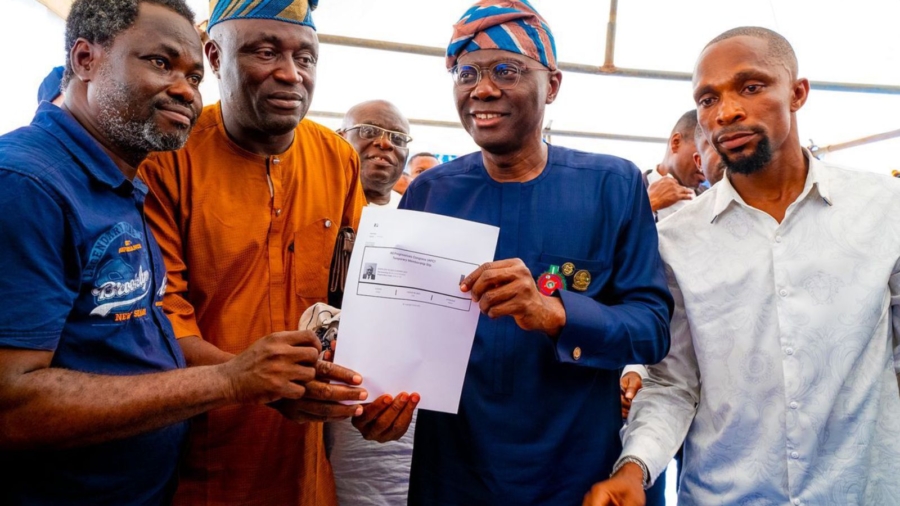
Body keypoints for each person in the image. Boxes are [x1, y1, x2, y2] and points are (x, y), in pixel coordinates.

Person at [0, 0, 346, 504]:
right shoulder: (28, 185)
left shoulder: (120, 182)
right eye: (160, 63)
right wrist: (229, 381)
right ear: (84, 59)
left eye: (193, 75)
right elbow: (10, 403)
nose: (185, 89)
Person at [584, 27, 900, 506]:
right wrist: (635, 468)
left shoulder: (883, 208)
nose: (726, 111)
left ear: (797, 93)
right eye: (708, 99)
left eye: (750, 87)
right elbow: (673, 383)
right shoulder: (674, 240)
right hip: (724, 494)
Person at [139, 1, 415, 504]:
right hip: (199, 456)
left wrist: (371, 397)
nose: (291, 75)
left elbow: (358, 293)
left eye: (305, 58)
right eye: (265, 52)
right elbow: (163, 316)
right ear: (214, 56)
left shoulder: (334, 158)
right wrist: (253, 381)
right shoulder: (167, 159)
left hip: (306, 463)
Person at [400, 1, 672, 503]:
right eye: (467, 72)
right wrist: (379, 402)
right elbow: (403, 334)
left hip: (577, 475)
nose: (483, 88)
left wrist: (554, 311)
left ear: (553, 84)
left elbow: (652, 328)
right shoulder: (430, 193)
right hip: (457, 474)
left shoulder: (613, 185)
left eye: (507, 70)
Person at [338, 100, 411, 208]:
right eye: (369, 131)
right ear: (339, 138)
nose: (385, 143)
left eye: (397, 137)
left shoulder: (411, 213)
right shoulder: (310, 202)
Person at [645, 110, 706, 221]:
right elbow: (608, 235)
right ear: (676, 142)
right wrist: (648, 205)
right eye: (703, 154)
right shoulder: (627, 192)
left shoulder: (712, 199)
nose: (706, 167)